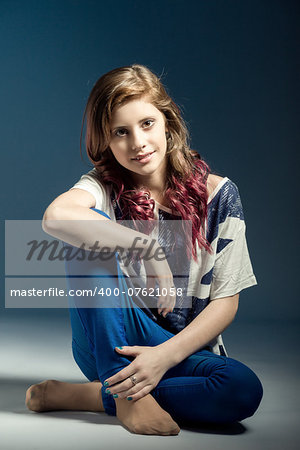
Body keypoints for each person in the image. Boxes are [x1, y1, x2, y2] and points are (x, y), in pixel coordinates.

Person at [25, 64, 263, 436]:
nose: (137, 142)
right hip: (110, 342)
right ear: (106, 141)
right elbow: (56, 216)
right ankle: (126, 397)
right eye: (121, 132)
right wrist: (147, 248)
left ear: (168, 122)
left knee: (241, 389)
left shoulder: (220, 195)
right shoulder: (103, 186)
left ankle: (92, 396)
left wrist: (161, 357)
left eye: (147, 124)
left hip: (177, 350)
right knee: (85, 238)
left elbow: (225, 303)